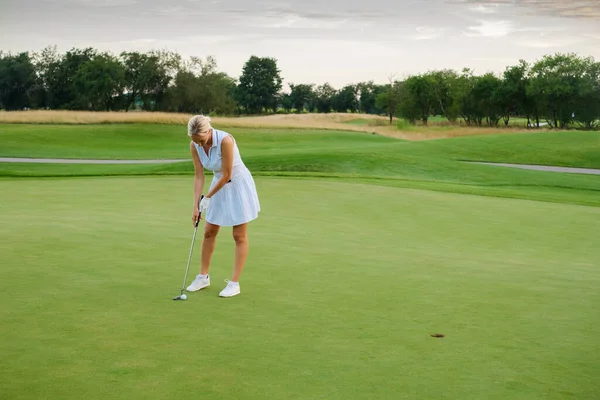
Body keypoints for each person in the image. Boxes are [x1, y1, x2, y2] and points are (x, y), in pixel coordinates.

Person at [184, 115, 260, 297]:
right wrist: (196, 205)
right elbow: (199, 176)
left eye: (201, 140)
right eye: (196, 141)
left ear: (208, 131)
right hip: (217, 184)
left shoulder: (226, 140)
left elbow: (227, 174)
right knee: (209, 230)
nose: (199, 145)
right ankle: (203, 276)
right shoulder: (195, 145)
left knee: (238, 235)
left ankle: (234, 283)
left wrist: (207, 197)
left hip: (237, 184)